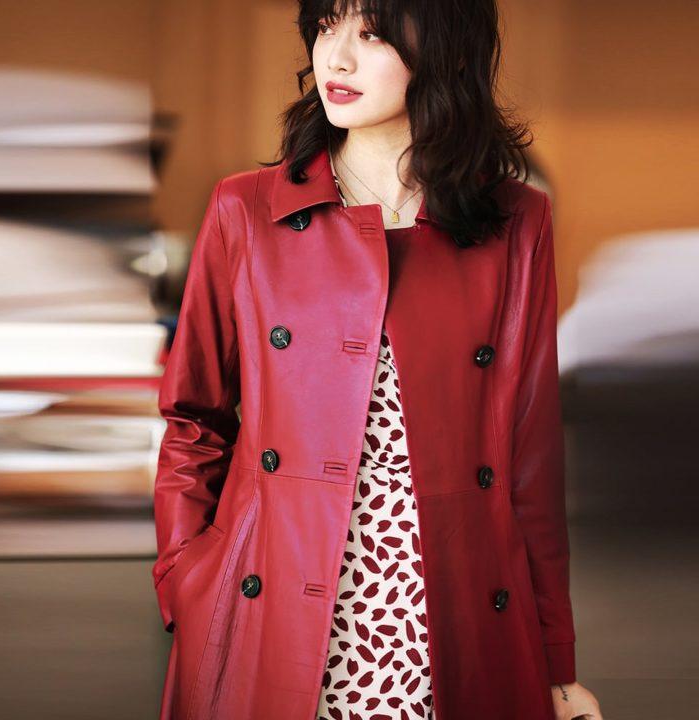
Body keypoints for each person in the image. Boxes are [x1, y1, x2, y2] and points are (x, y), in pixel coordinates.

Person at [151, 1, 604, 719]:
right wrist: (185, 579)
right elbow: (192, 419)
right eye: (326, 27)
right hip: (273, 606)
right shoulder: (245, 210)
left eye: (371, 34)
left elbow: (530, 463)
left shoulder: (517, 222)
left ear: (448, 49)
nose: (335, 58)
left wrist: (557, 663)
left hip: (453, 615)